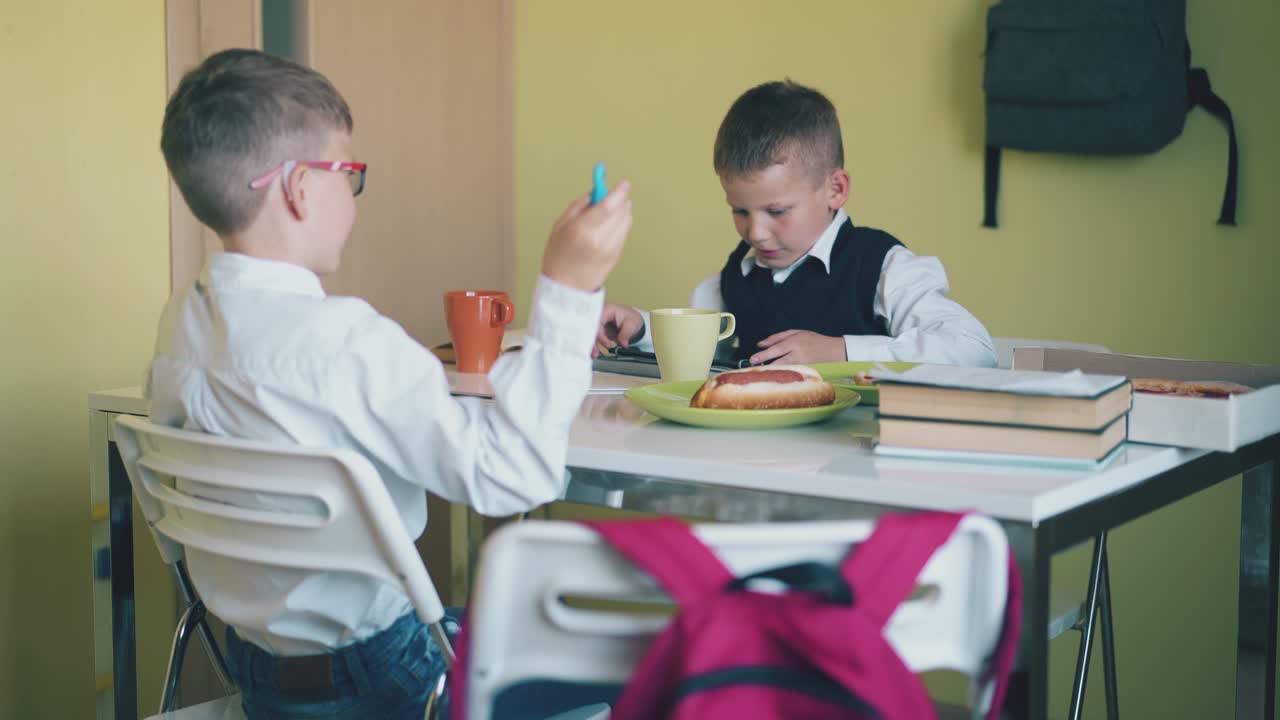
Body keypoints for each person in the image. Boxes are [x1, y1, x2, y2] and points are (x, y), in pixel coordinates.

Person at [148, 48, 632, 719]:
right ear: (298, 188)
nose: (353, 193)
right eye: (349, 173)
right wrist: (569, 287)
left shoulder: (182, 325)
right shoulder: (343, 340)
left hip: (262, 681)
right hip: (393, 687)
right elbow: (514, 475)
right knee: (631, 664)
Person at [596, 80, 994, 368]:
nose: (756, 233)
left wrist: (841, 351)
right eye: (740, 211)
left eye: (778, 212)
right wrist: (641, 328)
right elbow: (703, 350)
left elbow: (974, 348)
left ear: (835, 189)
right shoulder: (735, 276)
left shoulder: (884, 267)